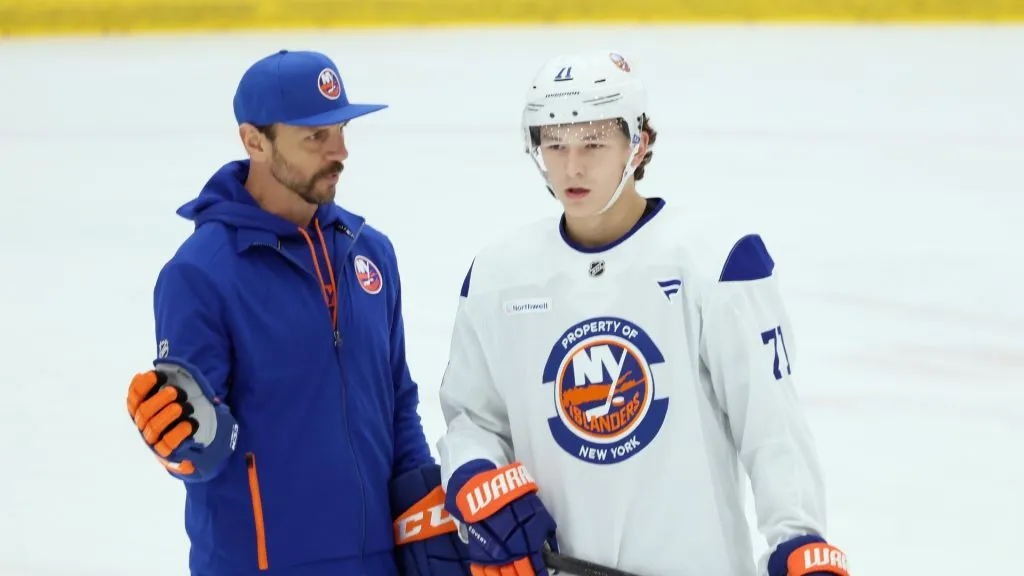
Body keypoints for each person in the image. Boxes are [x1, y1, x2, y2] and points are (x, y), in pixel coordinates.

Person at [434, 50, 851, 576]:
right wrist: (476, 475)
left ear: (639, 143)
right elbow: (473, 417)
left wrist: (797, 538)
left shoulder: (716, 261)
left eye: (593, 143)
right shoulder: (498, 275)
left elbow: (770, 426)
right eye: (555, 145)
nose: (573, 166)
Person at [125, 49, 471, 576]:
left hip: (379, 563)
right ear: (254, 140)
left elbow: (397, 399)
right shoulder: (200, 274)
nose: (340, 151)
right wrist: (183, 440)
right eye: (315, 136)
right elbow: (203, 448)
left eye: (340, 128)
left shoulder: (368, 252)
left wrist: (421, 510)